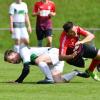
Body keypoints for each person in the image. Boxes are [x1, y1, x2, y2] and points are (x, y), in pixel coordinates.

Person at [4, 46, 79, 84]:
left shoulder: (23, 51)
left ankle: (49, 79)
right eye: (11, 62)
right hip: (54, 60)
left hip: (54, 53)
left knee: (38, 60)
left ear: (14, 53)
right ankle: (76, 72)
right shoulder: (23, 56)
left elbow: (26, 69)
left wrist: (18, 81)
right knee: (58, 81)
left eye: (12, 59)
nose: (13, 62)